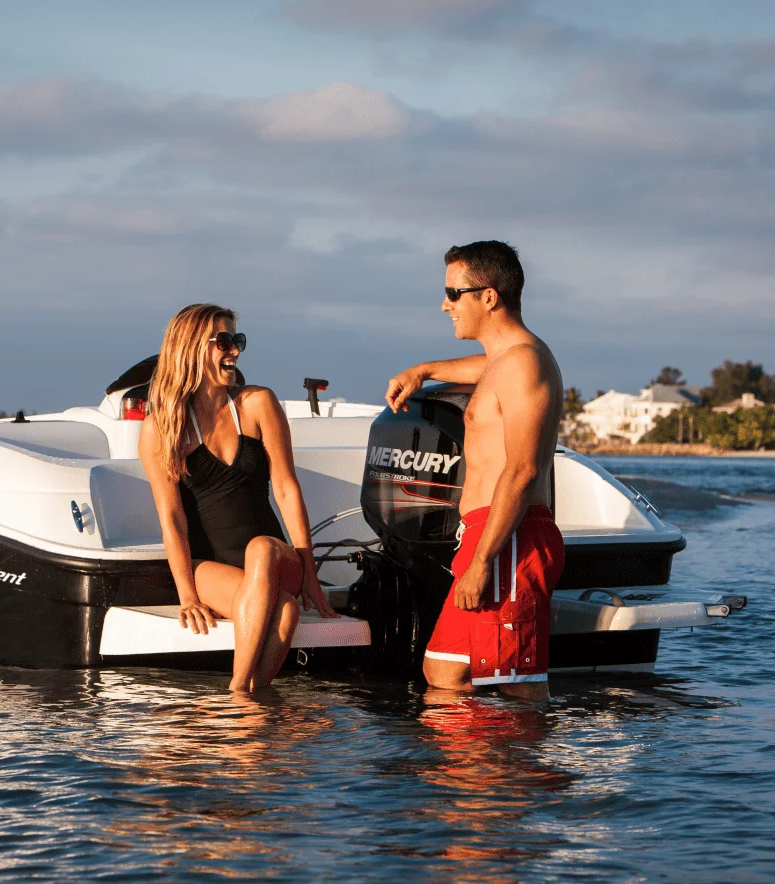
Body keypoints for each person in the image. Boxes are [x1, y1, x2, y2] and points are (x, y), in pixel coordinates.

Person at [385, 241, 565, 703]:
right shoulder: (508, 361)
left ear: (488, 296)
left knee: (512, 681)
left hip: (508, 538)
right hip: (489, 532)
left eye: (454, 293)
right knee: (450, 672)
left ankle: (522, 751)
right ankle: (486, 751)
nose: (445, 305)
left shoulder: (523, 363)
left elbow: (523, 470)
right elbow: (485, 367)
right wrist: (424, 370)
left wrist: (483, 561)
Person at [139, 303, 338, 693]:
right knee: (284, 610)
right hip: (212, 567)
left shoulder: (258, 403)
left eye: (238, 341)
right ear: (190, 347)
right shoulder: (161, 429)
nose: (235, 351)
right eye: (224, 341)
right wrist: (187, 596)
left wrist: (310, 574)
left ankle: (235, 691)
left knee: (261, 548)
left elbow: (286, 488)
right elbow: (172, 518)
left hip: (276, 560)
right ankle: (254, 703)